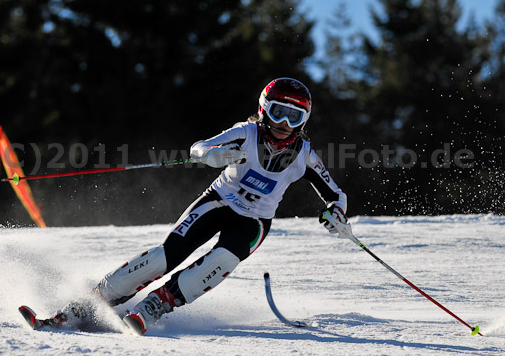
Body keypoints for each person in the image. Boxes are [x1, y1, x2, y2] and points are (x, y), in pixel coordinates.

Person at [29, 77, 348, 335]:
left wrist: (336, 213)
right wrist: (211, 156)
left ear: (304, 120)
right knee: (164, 257)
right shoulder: (246, 133)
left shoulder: (304, 154)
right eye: (278, 112)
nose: (283, 123)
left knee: (221, 261)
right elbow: (201, 147)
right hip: (219, 202)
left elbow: (335, 193)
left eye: (294, 117)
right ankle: (85, 305)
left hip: (254, 221)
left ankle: (158, 304)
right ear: (264, 110)